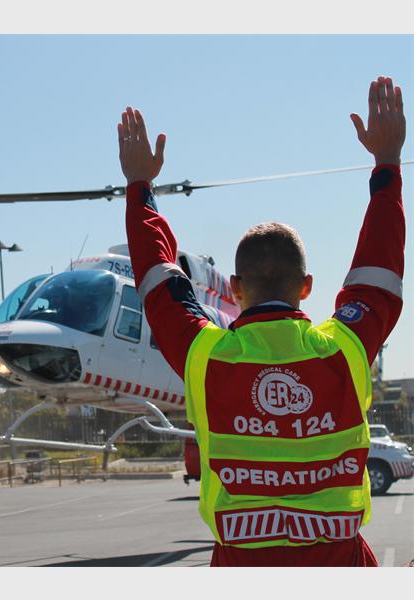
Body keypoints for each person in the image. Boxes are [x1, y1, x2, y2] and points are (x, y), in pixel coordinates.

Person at [119, 76, 405, 567]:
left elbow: (157, 278)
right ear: (307, 286)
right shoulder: (344, 349)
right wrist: (388, 163)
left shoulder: (206, 357)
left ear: (234, 288)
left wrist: (139, 186)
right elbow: (380, 271)